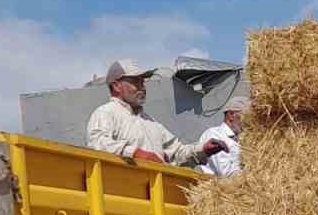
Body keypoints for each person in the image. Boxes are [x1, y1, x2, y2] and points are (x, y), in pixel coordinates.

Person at [86, 61, 223, 168]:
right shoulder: (106, 113)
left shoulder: (151, 122)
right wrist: (135, 153)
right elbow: (97, 144)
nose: (143, 87)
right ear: (116, 86)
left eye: (143, 82)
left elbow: (176, 153)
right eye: (136, 82)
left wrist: (203, 150)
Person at [196, 95, 248, 177]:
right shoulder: (215, 134)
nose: (249, 122)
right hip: (215, 187)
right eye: (246, 117)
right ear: (231, 115)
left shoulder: (243, 141)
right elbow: (224, 173)